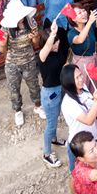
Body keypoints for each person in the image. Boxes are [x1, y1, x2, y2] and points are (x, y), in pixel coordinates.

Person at [0, 0, 44, 126]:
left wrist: (35, 37)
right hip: (12, 63)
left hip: (29, 60)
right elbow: (2, 50)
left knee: (34, 85)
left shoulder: (31, 22)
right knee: (14, 89)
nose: (21, 19)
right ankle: (18, 110)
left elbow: (35, 44)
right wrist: (2, 45)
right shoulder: (6, 28)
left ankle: (38, 106)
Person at [37, 21, 69, 168]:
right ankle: (46, 153)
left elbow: (63, 63)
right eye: (54, 42)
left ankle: (54, 139)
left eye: (58, 41)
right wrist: (53, 35)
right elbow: (48, 46)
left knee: (55, 119)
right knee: (51, 124)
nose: (57, 44)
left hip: (59, 88)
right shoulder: (43, 57)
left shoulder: (59, 51)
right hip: (49, 94)